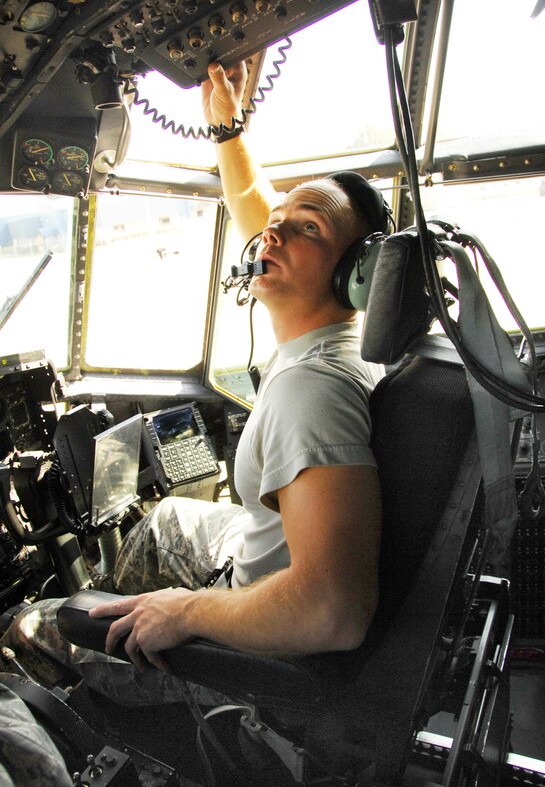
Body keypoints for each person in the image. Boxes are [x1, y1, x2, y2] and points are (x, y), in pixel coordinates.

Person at [1, 60, 386, 704]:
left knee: (29, 626)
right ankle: (121, 613)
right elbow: (257, 209)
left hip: (254, 648)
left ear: (356, 274)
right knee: (165, 518)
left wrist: (184, 613)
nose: (274, 233)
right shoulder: (347, 335)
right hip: (251, 559)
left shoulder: (311, 392)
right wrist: (228, 131)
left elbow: (332, 610)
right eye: (279, 220)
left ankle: (123, 695)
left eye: (307, 227)